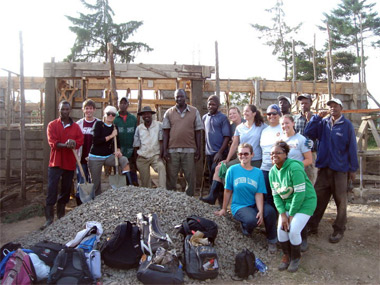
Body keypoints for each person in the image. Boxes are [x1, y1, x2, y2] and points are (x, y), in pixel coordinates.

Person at [305, 98, 358, 243]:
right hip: (324, 167)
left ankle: (339, 229)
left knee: (341, 200)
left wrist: (353, 169)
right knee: (317, 198)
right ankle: (312, 225)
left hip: (340, 169)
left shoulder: (346, 125)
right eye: (330, 106)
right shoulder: (323, 122)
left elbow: (352, 147)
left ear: (341, 107)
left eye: (335, 106)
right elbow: (308, 132)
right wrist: (316, 118)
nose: (333, 108)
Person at [215, 143, 277, 254]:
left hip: (254, 204)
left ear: (252, 155)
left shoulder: (258, 172)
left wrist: (261, 211)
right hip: (239, 206)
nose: (243, 156)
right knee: (251, 220)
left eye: (246, 154)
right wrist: (223, 209)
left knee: (270, 212)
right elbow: (228, 190)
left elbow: (259, 194)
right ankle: (246, 229)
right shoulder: (232, 170)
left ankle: (272, 240)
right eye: (240, 154)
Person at [200, 104, 266, 205]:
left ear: (254, 113)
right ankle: (212, 196)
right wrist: (227, 159)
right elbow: (234, 144)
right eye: (244, 111)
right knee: (219, 168)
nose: (245, 113)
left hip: (255, 160)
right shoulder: (240, 127)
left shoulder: (261, 126)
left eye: (247, 111)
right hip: (242, 159)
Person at [269, 141, 317, 272]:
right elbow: (276, 196)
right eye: (272, 153)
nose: (274, 155)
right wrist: (283, 215)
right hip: (288, 203)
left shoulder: (294, 167)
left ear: (285, 154)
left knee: (294, 230)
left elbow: (300, 194)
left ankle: (296, 258)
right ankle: (286, 255)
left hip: (305, 201)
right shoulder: (272, 172)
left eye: (278, 153)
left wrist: (291, 215)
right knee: (281, 230)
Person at [43, 100, 83, 229]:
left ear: (69, 111)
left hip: (69, 163)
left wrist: (74, 143)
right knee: (52, 189)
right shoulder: (52, 125)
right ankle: (49, 218)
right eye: (62, 109)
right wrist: (66, 144)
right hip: (55, 162)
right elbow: (53, 143)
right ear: (58, 110)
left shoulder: (75, 127)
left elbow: (80, 140)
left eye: (67, 109)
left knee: (65, 190)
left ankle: (61, 216)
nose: (65, 112)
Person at [162, 89, 204, 196]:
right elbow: (165, 132)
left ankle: (189, 198)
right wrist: (165, 150)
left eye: (181, 96)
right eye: (177, 97)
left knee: (190, 176)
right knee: (171, 176)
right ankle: (171, 198)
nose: (179, 99)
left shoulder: (194, 111)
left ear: (186, 97)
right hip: (172, 150)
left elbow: (198, 132)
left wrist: (198, 150)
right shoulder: (169, 112)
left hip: (189, 150)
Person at [88, 106, 131, 196]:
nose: (110, 116)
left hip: (108, 157)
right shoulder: (99, 124)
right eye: (108, 114)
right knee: (96, 183)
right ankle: (96, 201)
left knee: (123, 160)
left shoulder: (115, 127)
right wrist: (111, 136)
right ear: (105, 114)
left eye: (113, 114)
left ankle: (129, 185)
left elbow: (118, 143)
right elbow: (96, 141)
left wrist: (118, 151)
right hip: (96, 157)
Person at [133, 106, 166, 188]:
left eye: (148, 113)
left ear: (151, 115)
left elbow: (162, 141)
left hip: (155, 155)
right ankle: (148, 195)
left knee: (161, 167)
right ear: (142, 116)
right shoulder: (139, 128)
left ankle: (163, 190)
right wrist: (136, 159)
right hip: (143, 157)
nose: (146, 115)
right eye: (144, 114)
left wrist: (161, 156)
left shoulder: (159, 125)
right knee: (145, 184)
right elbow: (136, 145)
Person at [202, 95, 231, 187]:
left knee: (216, 174)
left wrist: (220, 152)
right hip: (209, 153)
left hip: (219, 153)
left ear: (218, 105)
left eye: (213, 104)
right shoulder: (205, 117)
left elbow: (227, 137)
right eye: (209, 104)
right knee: (212, 174)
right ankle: (215, 197)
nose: (210, 106)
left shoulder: (223, 118)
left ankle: (218, 197)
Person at [75, 99, 100, 205]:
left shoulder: (98, 123)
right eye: (86, 108)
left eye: (91, 108)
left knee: (93, 182)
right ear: (83, 110)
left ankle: (93, 204)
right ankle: (81, 204)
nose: (89, 111)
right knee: (82, 180)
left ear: (94, 110)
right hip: (81, 157)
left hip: (94, 157)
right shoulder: (78, 124)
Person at [260, 104, 282, 208]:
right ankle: (270, 221)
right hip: (265, 168)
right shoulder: (264, 131)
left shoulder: (283, 128)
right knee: (267, 196)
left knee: (280, 195)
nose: (271, 116)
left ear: (279, 114)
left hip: (279, 169)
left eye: (274, 113)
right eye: (269, 114)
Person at [114, 97, 138, 185]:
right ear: (118, 104)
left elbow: (136, 134)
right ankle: (121, 187)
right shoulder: (114, 119)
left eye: (125, 103)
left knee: (132, 169)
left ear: (128, 105)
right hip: (119, 151)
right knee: (120, 169)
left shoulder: (133, 119)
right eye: (121, 103)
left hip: (131, 150)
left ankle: (133, 185)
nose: (123, 105)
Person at [294, 93, 317, 184]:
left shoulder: (316, 119)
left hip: (311, 153)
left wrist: (313, 144)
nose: (303, 105)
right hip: (298, 153)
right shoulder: (295, 119)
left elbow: (319, 136)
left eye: (306, 103)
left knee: (310, 180)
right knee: (297, 179)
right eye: (302, 103)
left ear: (311, 103)